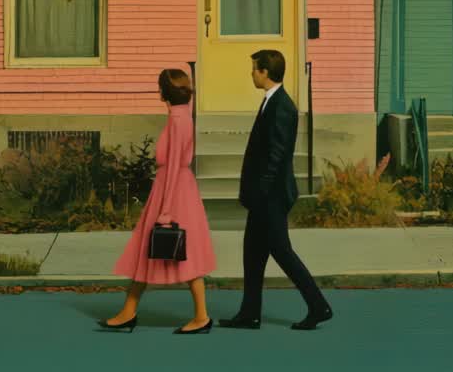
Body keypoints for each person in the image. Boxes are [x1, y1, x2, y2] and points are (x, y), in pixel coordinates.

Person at [218, 49, 334, 331]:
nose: (251, 73)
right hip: (263, 196)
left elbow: (276, 156)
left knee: (282, 252)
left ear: (265, 73)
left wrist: (261, 194)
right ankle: (250, 313)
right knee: (253, 254)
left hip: (270, 197)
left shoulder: (282, 107)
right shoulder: (272, 101)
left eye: (254, 69)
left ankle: (318, 306)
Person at [99, 66, 216, 335]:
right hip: (180, 190)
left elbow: (174, 164)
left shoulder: (178, 120)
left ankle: (199, 316)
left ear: (165, 92)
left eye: (159, 86)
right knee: (181, 254)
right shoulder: (182, 115)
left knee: (163, 252)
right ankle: (132, 311)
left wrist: (165, 210)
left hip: (171, 192)